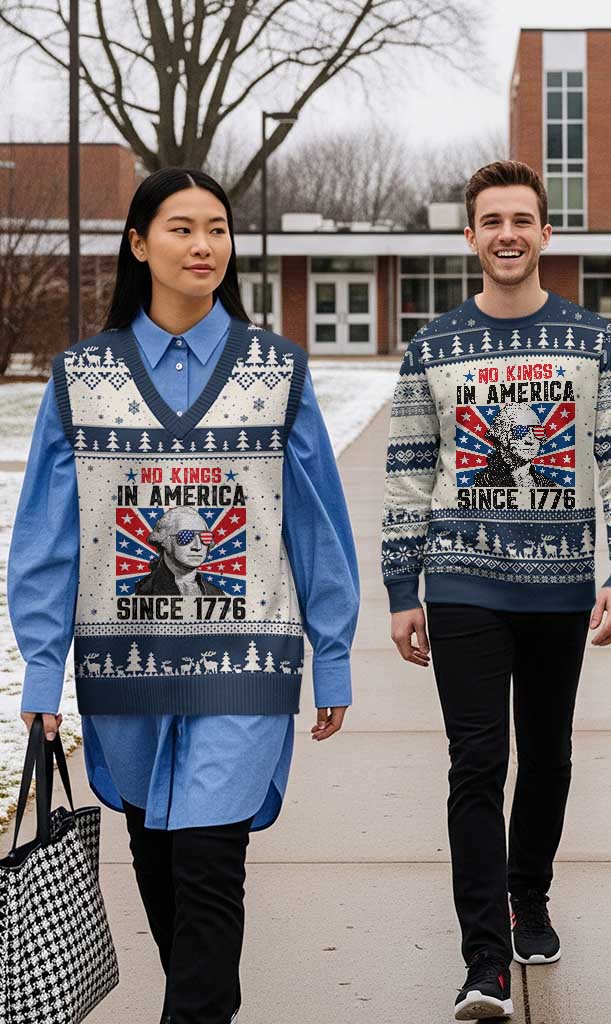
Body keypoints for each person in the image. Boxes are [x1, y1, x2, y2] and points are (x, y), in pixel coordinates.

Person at [11, 167, 359, 1024]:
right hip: (122, 665)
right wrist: (43, 675)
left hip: (246, 662)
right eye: (181, 228)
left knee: (210, 865)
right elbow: (48, 540)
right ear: (138, 244)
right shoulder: (81, 378)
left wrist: (335, 655)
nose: (203, 246)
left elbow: (316, 525)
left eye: (217, 229)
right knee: (159, 863)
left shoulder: (277, 372)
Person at [381, 159, 611, 1021]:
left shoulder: (592, 340)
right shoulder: (432, 347)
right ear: (469, 235)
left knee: (549, 752)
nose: (507, 234)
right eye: (490, 220)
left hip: (562, 584)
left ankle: (527, 895)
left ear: (545, 232)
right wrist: (401, 587)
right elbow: (408, 477)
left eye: (521, 220)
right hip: (462, 581)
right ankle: (484, 961)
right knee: (476, 761)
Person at [135, 505, 226, 596]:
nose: (198, 546)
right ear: (164, 540)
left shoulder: (216, 593)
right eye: (185, 536)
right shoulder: (145, 590)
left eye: (205, 537)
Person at [473, 404, 558, 488]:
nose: (530, 440)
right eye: (520, 431)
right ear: (501, 436)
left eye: (537, 431)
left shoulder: (547, 484)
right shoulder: (485, 482)